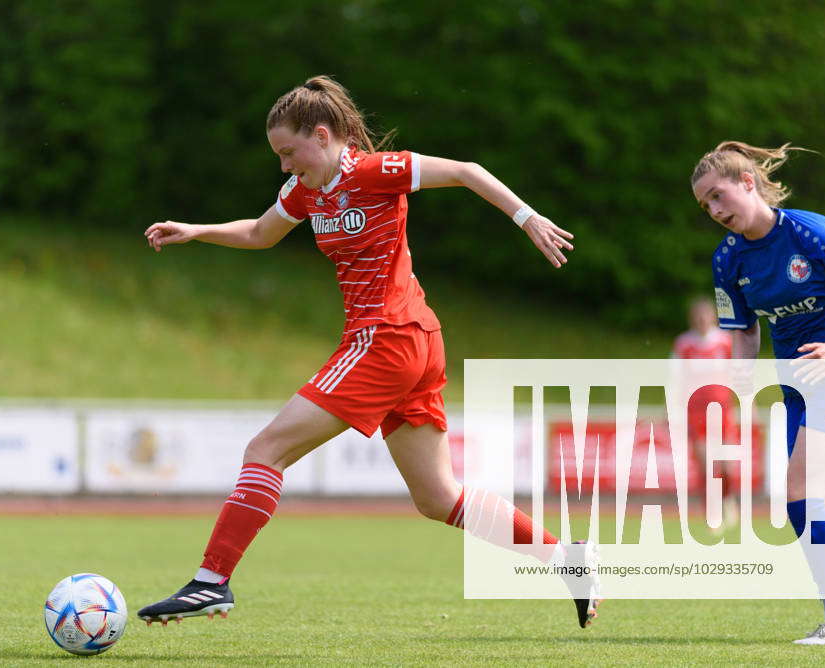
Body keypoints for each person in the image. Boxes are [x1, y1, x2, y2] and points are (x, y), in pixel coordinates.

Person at [136, 76, 601, 629]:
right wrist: (196, 230)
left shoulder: (373, 170)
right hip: (413, 339)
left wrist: (527, 218)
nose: (284, 166)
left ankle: (210, 582)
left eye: (289, 152)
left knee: (266, 450)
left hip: (387, 337)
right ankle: (568, 559)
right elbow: (261, 233)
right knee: (437, 498)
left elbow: (468, 172)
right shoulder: (308, 191)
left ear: (323, 135)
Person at [693, 140, 825, 645]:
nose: (715, 211)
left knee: (797, 494)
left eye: (719, 196)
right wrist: (741, 376)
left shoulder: (814, 233)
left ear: (748, 182)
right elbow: (743, 329)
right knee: (819, 513)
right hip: (797, 388)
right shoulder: (727, 261)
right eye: (706, 206)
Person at [671, 297, 740, 533]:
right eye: (697, 315)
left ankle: (728, 500)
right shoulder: (684, 344)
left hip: (723, 412)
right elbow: (676, 379)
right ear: (692, 318)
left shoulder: (725, 342)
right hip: (696, 414)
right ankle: (713, 515)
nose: (702, 320)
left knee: (728, 466)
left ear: (713, 316)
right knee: (705, 465)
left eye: (706, 315)